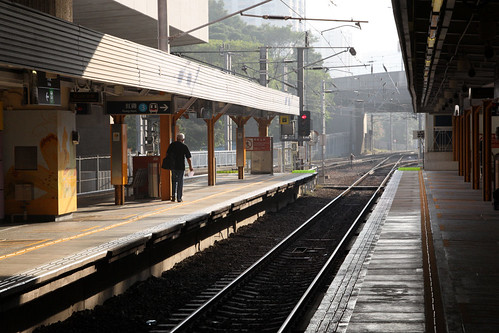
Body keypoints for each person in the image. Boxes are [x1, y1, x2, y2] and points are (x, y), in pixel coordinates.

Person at [165, 133, 193, 202]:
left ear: (177, 139)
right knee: (180, 182)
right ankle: (179, 198)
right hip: (180, 167)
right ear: (183, 140)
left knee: (173, 181)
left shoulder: (172, 145)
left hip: (173, 166)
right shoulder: (184, 146)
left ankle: (173, 196)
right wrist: (190, 167)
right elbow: (188, 158)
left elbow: (167, 154)